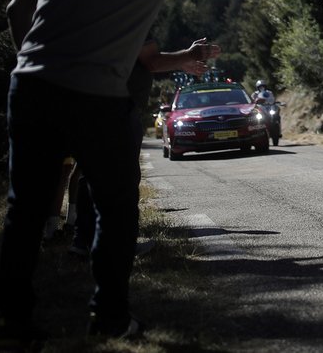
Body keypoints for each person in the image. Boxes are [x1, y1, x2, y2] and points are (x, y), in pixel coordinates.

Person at [0, 0, 320, 348]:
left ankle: (12, 326)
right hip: (96, 97)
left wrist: (37, 61)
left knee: (23, 209)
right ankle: (108, 317)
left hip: (29, 87)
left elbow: (14, 10)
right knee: (116, 208)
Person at [69, 37, 221, 259]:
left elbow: (144, 59)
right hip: (118, 105)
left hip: (94, 99)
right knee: (124, 179)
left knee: (93, 174)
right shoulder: (132, 8)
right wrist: (190, 54)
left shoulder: (100, 9)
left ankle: (83, 241)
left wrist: (180, 62)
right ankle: (117, 245)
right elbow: (152, 62)